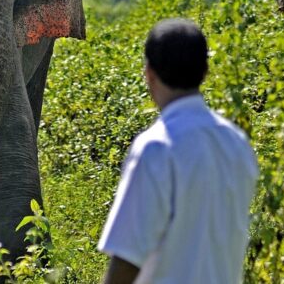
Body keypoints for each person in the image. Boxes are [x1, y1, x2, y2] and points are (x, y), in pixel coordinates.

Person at [97, 19, 259, 284]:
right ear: (206, 71)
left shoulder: (156, 147)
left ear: (149, 73)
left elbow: (126, 261)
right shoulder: (237, 143)